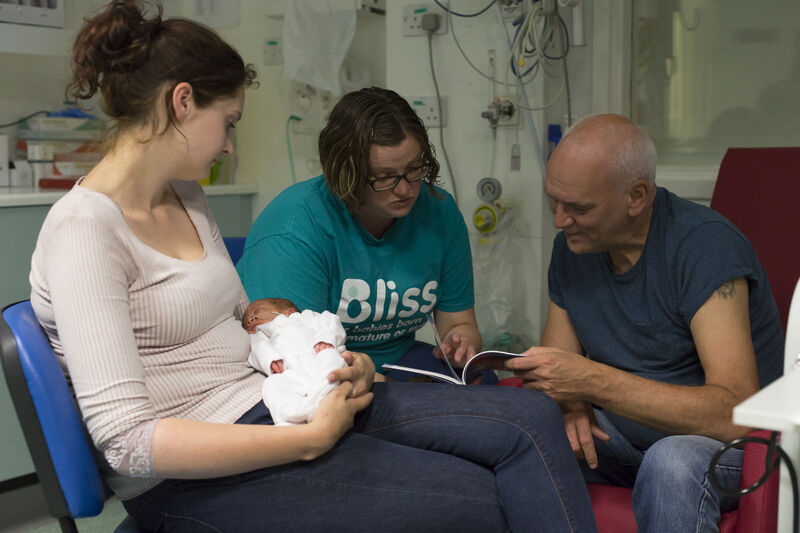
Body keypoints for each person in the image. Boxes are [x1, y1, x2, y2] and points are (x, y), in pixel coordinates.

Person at [28, 2, 598, 531]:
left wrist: (331, 361)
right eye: (228, 121)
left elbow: (245, 321)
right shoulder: (85, 231)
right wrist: (307, 442)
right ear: (181, 103)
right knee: (486, 496)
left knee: (529, 418)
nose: (229, 144)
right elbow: (127, 443)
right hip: (195, 477)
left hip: (275, 403)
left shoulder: (184, 196)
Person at [505, 113, 784, 532]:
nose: (559, 221)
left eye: (579, 208)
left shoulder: (705, 247)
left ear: (636, 196)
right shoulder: (574, 248)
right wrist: (570, 404)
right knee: (512, 436)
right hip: (625, 438)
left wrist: (591, 383)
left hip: (729, 448)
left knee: (671, 461)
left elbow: (734, 414)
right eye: (553, 201)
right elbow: (557, 367)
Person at [236, 87, 494, 383]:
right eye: (384, 177)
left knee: (489, 388)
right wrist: (402, 391)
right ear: (343, 173)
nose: (405, 189)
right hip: (317, 369)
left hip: (398, 361)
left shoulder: (438, 211)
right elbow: (299, 362)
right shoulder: (294, 230)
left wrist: (460, 341)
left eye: (414, 169)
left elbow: (458, 322)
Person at [244, 298, 349, 426]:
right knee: (272, 383)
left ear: (289, 312)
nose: (250, 319)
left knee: (330, 357)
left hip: (320, 358)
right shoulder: (261, 335)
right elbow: (258, 348)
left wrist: (326, 339)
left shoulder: (306, 317)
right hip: (293, 372)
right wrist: (271, 360)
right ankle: (289, 420)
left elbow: (330, 320)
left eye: (257, 312)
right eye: (246, 322)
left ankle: (320, 401)